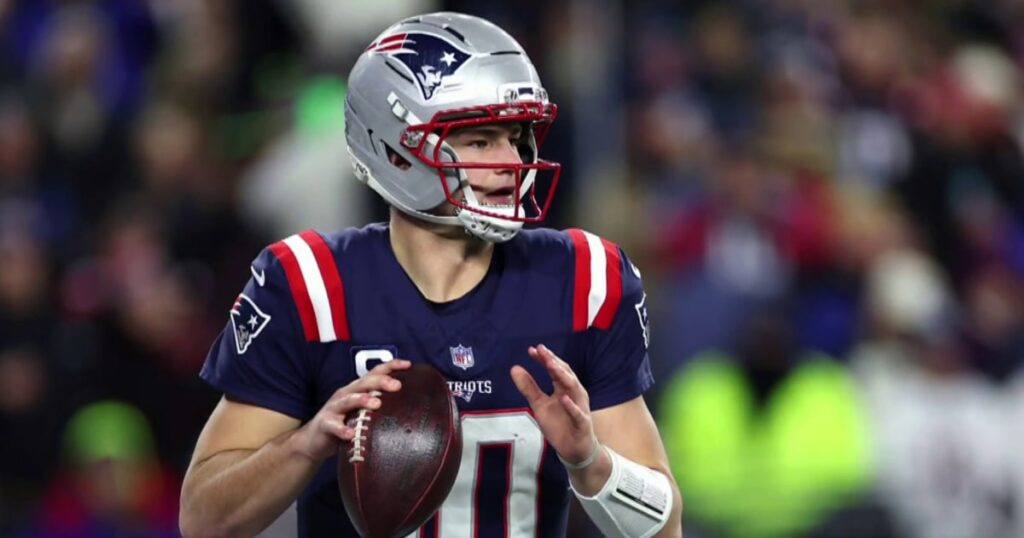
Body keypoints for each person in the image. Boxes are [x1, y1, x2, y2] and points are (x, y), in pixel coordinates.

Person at [179, 12, 682, 538]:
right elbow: (204, 521)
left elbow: (665, 527)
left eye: (515, 137)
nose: (510, 161)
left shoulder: (583, 280)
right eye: (480, 141)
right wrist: (304, 446)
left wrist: (591, 462)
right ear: (397, 151)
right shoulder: (311, 286)